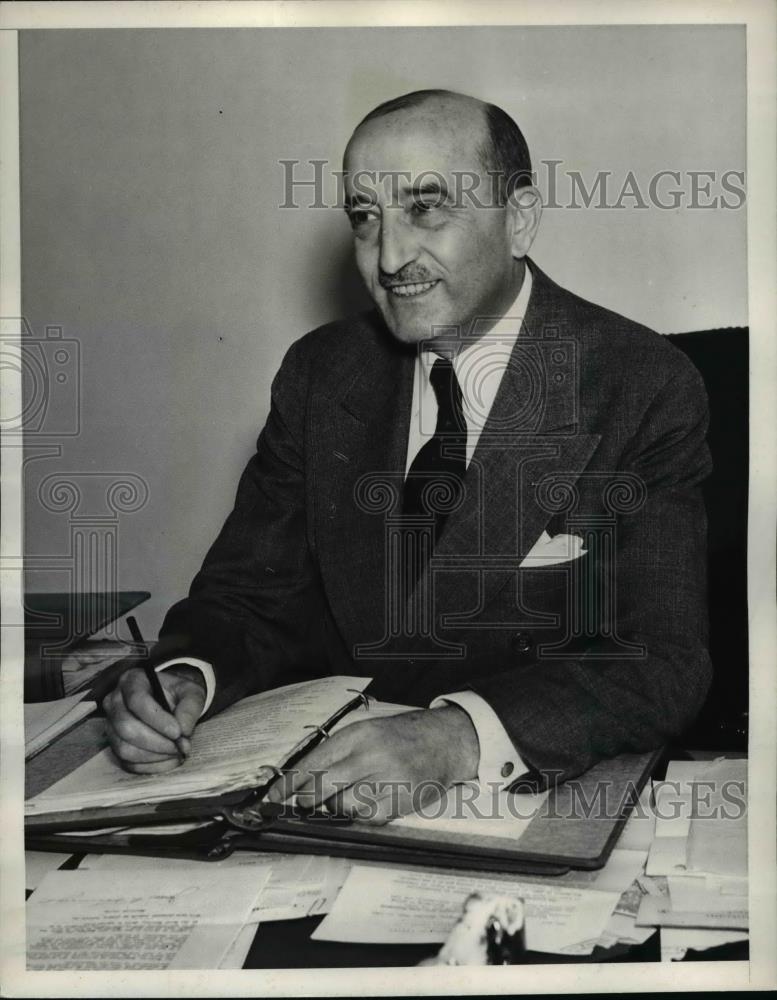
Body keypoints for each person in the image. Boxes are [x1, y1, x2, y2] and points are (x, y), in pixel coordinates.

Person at [103, 90, 712, 822]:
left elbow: (659, 660)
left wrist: (457, 737)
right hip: (328, 807)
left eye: (425, 208)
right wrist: (185, 673)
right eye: (366, 217)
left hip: (524, 801)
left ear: (517, 219)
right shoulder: (322, 373)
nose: (389, 257)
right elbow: (250, 598)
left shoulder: (637, 384)